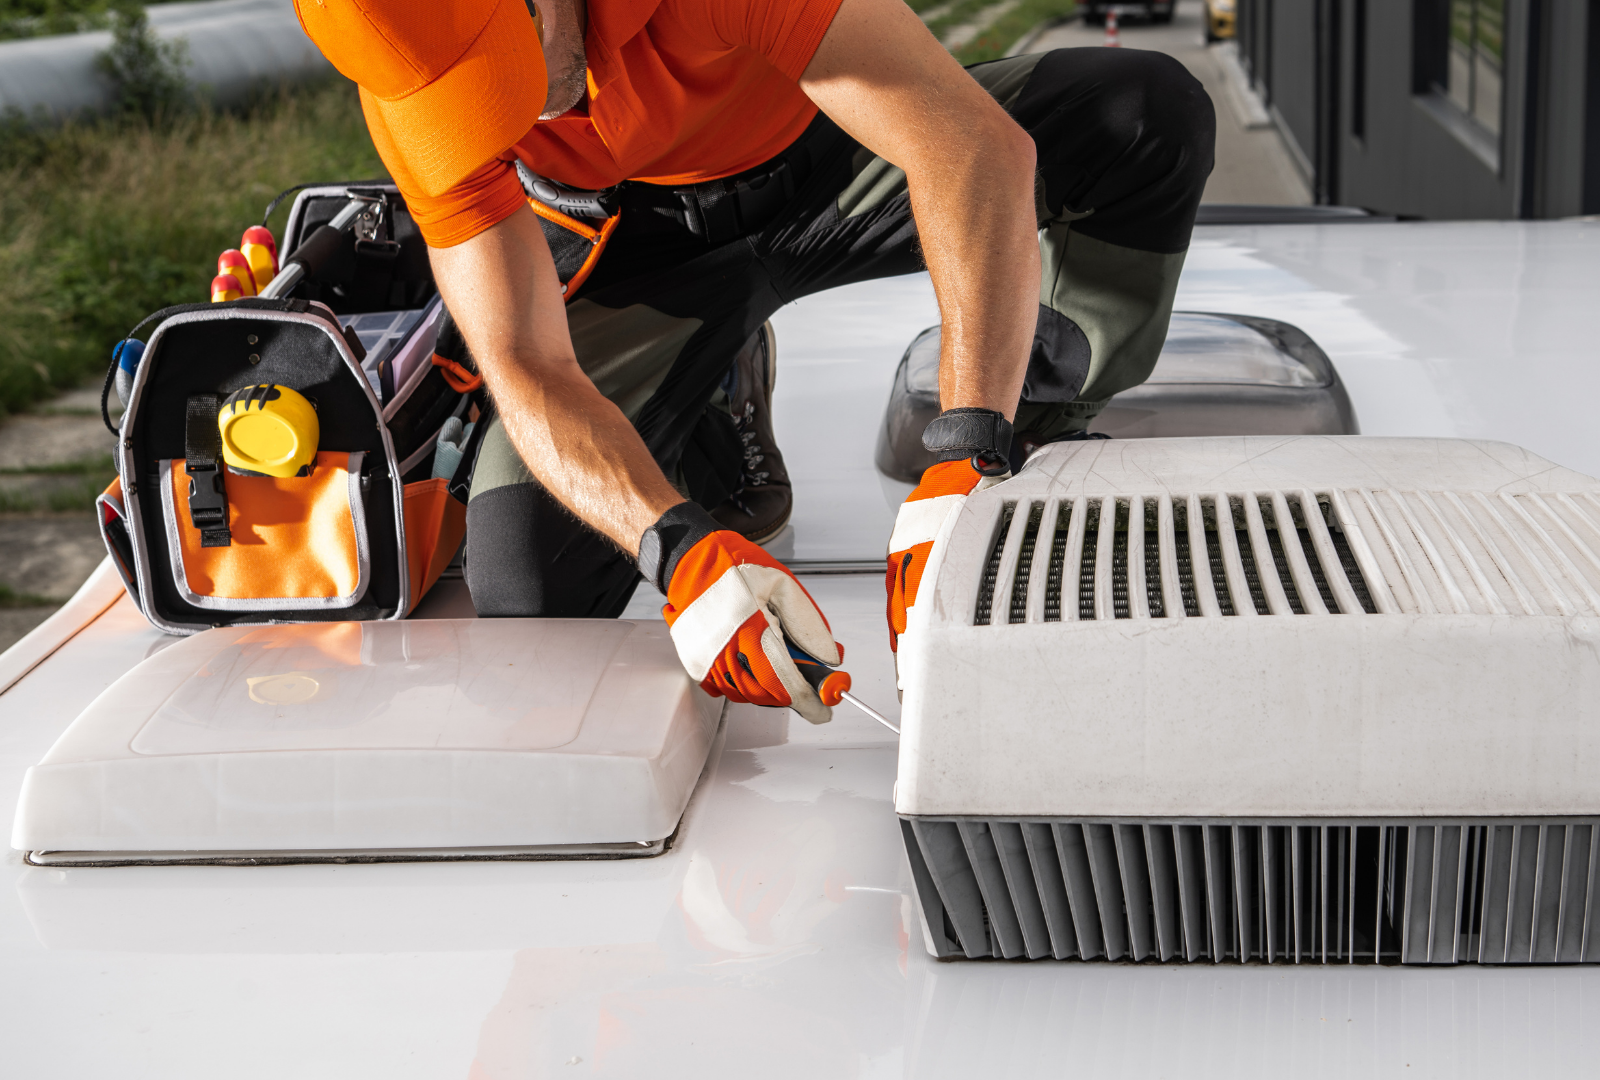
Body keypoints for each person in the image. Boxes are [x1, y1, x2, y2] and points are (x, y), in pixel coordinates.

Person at [293, 0, 1214, 722]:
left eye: (510, 61)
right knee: (527, 576)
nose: (527, 110)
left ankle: (1026, 425)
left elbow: (967, 144)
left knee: (1144, 116)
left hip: (836, 155)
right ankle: (716, 379)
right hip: (645, 255)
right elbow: (524, 358)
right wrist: (677, 551)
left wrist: (967, 450)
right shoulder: (413, 99)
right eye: (474, 97)